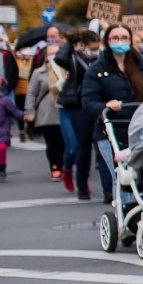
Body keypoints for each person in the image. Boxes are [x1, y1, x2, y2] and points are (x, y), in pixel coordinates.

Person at [82, 23, 143, 202]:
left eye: (124, 38)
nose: (120, 42)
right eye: (115, 38)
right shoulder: (96, 69)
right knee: (121, 175)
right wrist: (106, 106)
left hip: (140, 128)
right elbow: (88, 102)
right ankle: (125, 211)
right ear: (107, 41)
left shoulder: (142, 65)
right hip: (111, 129)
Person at [56, 29, 102, 198]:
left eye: (98, 47)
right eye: (92, 47)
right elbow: (59, 58)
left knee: (89, 147)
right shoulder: (73, 59)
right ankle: (68, 171)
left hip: (90, 105)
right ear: (83, 46)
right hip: (71, 105)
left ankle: (85, 185)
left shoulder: (100, 61)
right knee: (75, 148)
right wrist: (71, 41)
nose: (95, 50)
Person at [22, 42, 66, 179]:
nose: (54, 56)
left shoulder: (68, 70)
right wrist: (29, 111)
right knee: (52, 143)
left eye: (57, 53)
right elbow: (31, 93)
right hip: (46, 114)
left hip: (65, 111)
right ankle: (55, 166)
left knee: (65, 142)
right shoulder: (38, 73)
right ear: (46, 56)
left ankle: (64, 165)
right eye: (51, 53)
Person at [0, 75, 24, 181]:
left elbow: (15, 112)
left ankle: (1, 168)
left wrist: (25, 116)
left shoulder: (4, 101)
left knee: (0, 148)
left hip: (1, 131)